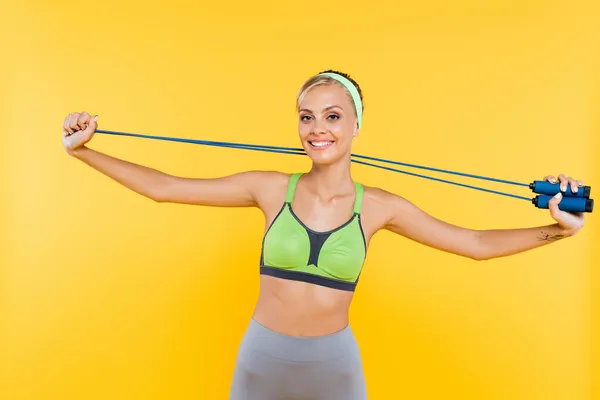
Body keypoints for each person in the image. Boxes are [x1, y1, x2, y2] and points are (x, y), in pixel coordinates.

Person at [62, 70, 586, 399]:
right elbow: (165, 188)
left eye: (333, 116)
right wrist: (82, 151)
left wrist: (557, 232)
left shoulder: (381, 207)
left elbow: (472, 245)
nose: (319, 128)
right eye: (307, 117)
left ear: (356, 125)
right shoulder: (269, 189)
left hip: (334, 368)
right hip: (260, 363)